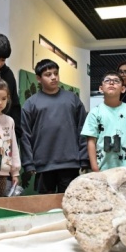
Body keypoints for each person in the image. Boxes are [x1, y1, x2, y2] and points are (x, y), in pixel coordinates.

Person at [20, 59, 88, 194]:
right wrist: (28, 163)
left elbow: (83, 129)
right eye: (48, 74)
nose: (53, 77)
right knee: (46, 206)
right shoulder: (31, 104)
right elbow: (25, 135)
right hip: (43, 164)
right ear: (38, 78)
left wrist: (84, 158)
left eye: (56, 73)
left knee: (70, 204)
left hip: (70, 163)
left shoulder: (72, 99)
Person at [82, 71, 126, 171]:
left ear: (123, 89)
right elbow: (91, 141)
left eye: (116, 81)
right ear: (101, 88)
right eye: (107, 81)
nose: (111, 83)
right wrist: (95, 169)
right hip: (103, 169)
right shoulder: (95, 112)